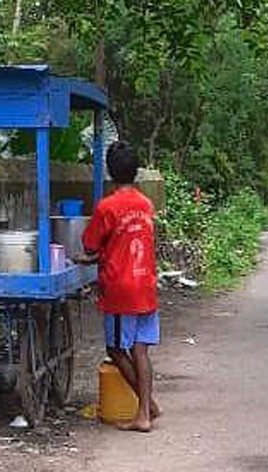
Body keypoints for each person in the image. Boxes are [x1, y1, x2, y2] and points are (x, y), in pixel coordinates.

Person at [76, 141, 160, 432]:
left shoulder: (107, 207)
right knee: (140, 350)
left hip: (120, 288)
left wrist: (86, 257)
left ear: (110, 173)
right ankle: (147, 408)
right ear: (135, 172)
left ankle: (145, 410)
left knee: (115, 348)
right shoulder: (145, 204)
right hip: (146, 283)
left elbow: (89, 244)